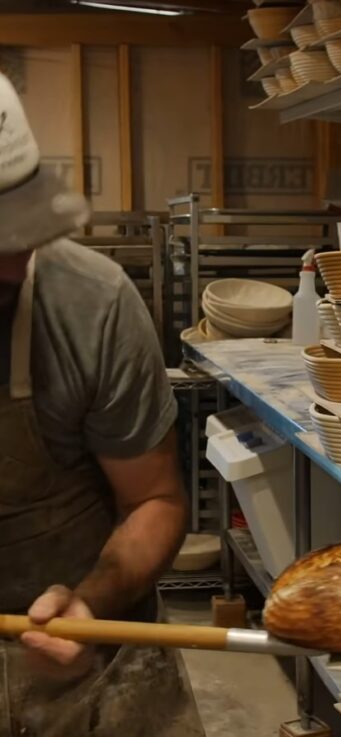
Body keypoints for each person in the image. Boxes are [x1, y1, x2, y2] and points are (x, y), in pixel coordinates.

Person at [0, 73, 204, 736]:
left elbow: (156, 500)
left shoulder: (93, 303)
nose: (14, 262)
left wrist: (90, 603)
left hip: (95, 677)